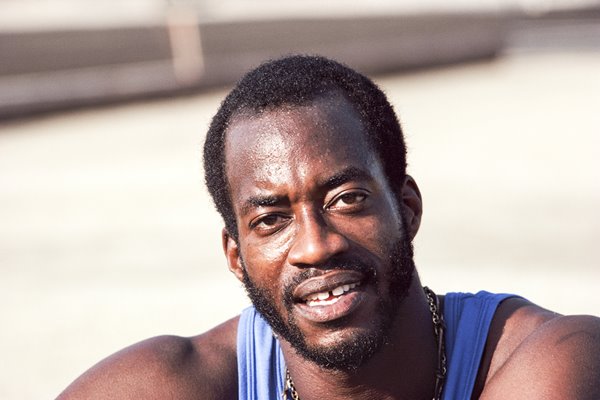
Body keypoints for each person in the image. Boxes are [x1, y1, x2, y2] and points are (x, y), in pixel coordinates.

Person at [58, 55, 600, 400]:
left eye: (347, 200)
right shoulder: (168, 385)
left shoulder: (556, 360)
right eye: (270, 220)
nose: (316, 246)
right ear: (235, 254)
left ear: (407, 208)